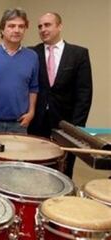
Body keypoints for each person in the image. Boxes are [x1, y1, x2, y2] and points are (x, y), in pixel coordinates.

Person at [28, 12, 93, 178]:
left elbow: (84, 93)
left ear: (60, 26)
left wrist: (76, 128)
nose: (43, 29)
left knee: (63, 169)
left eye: (47, 25)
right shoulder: (31, 53)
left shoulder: (78, 54)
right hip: (37, 123)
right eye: (40, 26)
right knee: (36, 167)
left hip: (66, 123)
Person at [0, 8, 39, 133]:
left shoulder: (32, 56)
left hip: (20, 124)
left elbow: (33, 88)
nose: (16, 30)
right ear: (2, 29)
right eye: (11, 26)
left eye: (21, 26)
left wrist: (31, 113)